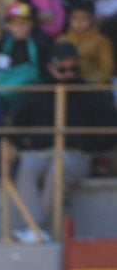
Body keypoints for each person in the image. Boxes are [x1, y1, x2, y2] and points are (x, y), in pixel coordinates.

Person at [11, 40, 117, 240]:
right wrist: (27, 143)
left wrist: (84, 143)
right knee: (26, 168)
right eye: (62, 68)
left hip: (75, 154)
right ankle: (35, 230)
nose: (69, 73)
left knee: (56, 172)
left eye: (74, 68)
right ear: (50, 66)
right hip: (40, 151)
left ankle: (34, 229)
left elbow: (109, 130)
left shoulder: (92, 93)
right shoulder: (36, 92)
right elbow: (16, 125)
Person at [0, 0, 53, 177]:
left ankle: (17, 164)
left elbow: (46, 73)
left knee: (20, 118)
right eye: (15, 24)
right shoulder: (3, 43)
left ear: (32, 25)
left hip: (29, 95)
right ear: (9, 26)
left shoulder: (40, 43)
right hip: (3, 93)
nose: (20, 28)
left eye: (24, 24)